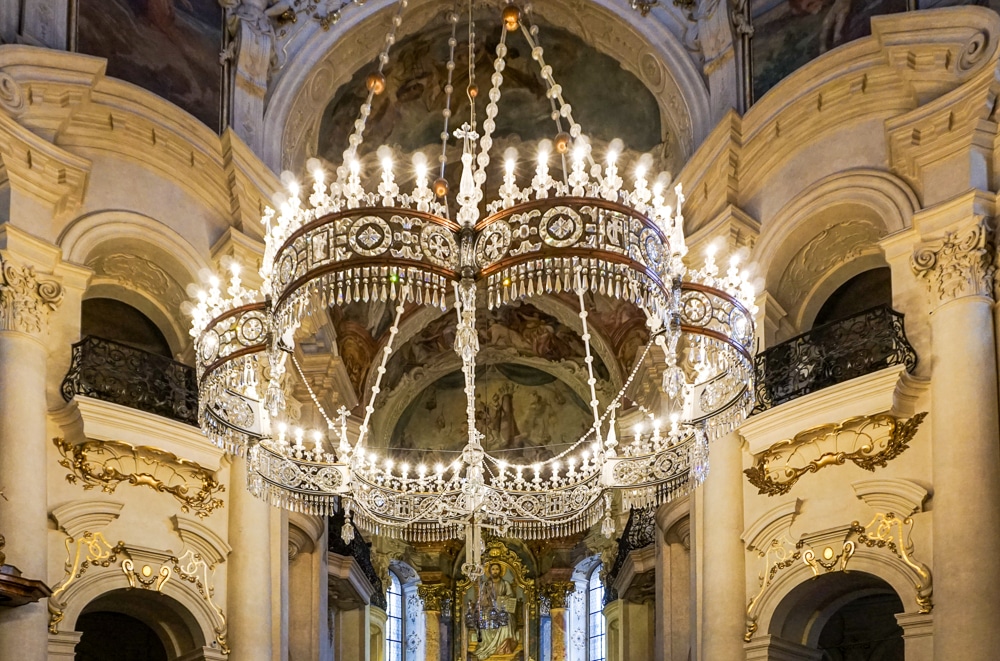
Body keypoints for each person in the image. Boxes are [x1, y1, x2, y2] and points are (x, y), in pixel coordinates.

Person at [473, 563, 519, 660]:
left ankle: (503, 647)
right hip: (488, 610)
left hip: (502, 609)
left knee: (507, 619)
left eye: (497, 569)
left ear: (500, 571)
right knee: (484, 620)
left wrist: (504, 599)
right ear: (489, 571)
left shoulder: (505, 584)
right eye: (493, 569)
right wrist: (486, 599)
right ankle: (486, 646)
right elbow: (481, 599)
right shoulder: (485, 585)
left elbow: (511, 596)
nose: (495, 571)